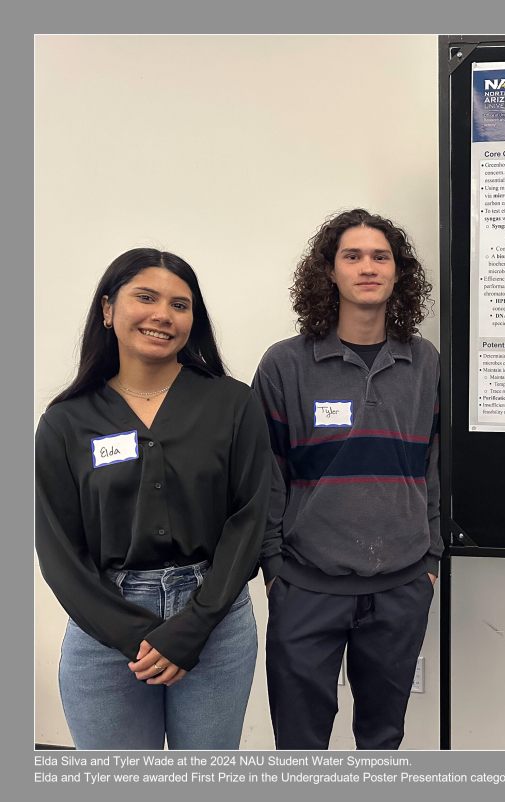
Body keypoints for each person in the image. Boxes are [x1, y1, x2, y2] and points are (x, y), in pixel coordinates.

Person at [35, 248, 272, 749]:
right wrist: (131, 634)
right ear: (107, 309)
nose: (163, 314)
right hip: (104, 627)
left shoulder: (232, 403)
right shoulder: (65, 421)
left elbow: (250, 518)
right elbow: (58, 549)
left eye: (180, 305)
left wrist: (194, 625)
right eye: (145, 297)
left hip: (215, 619)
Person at [253, 208, 441, 749]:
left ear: (398, 272)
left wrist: (431, 561)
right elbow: (266, 475)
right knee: (300, 744)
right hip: (306, 587)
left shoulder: (425, 363)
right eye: (352, 256)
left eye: (380, 256)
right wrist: (274, 569)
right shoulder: (285, 365)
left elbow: (435, 466)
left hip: (401, 586)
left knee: (382, 741)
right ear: (329, 271)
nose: (367, 267)